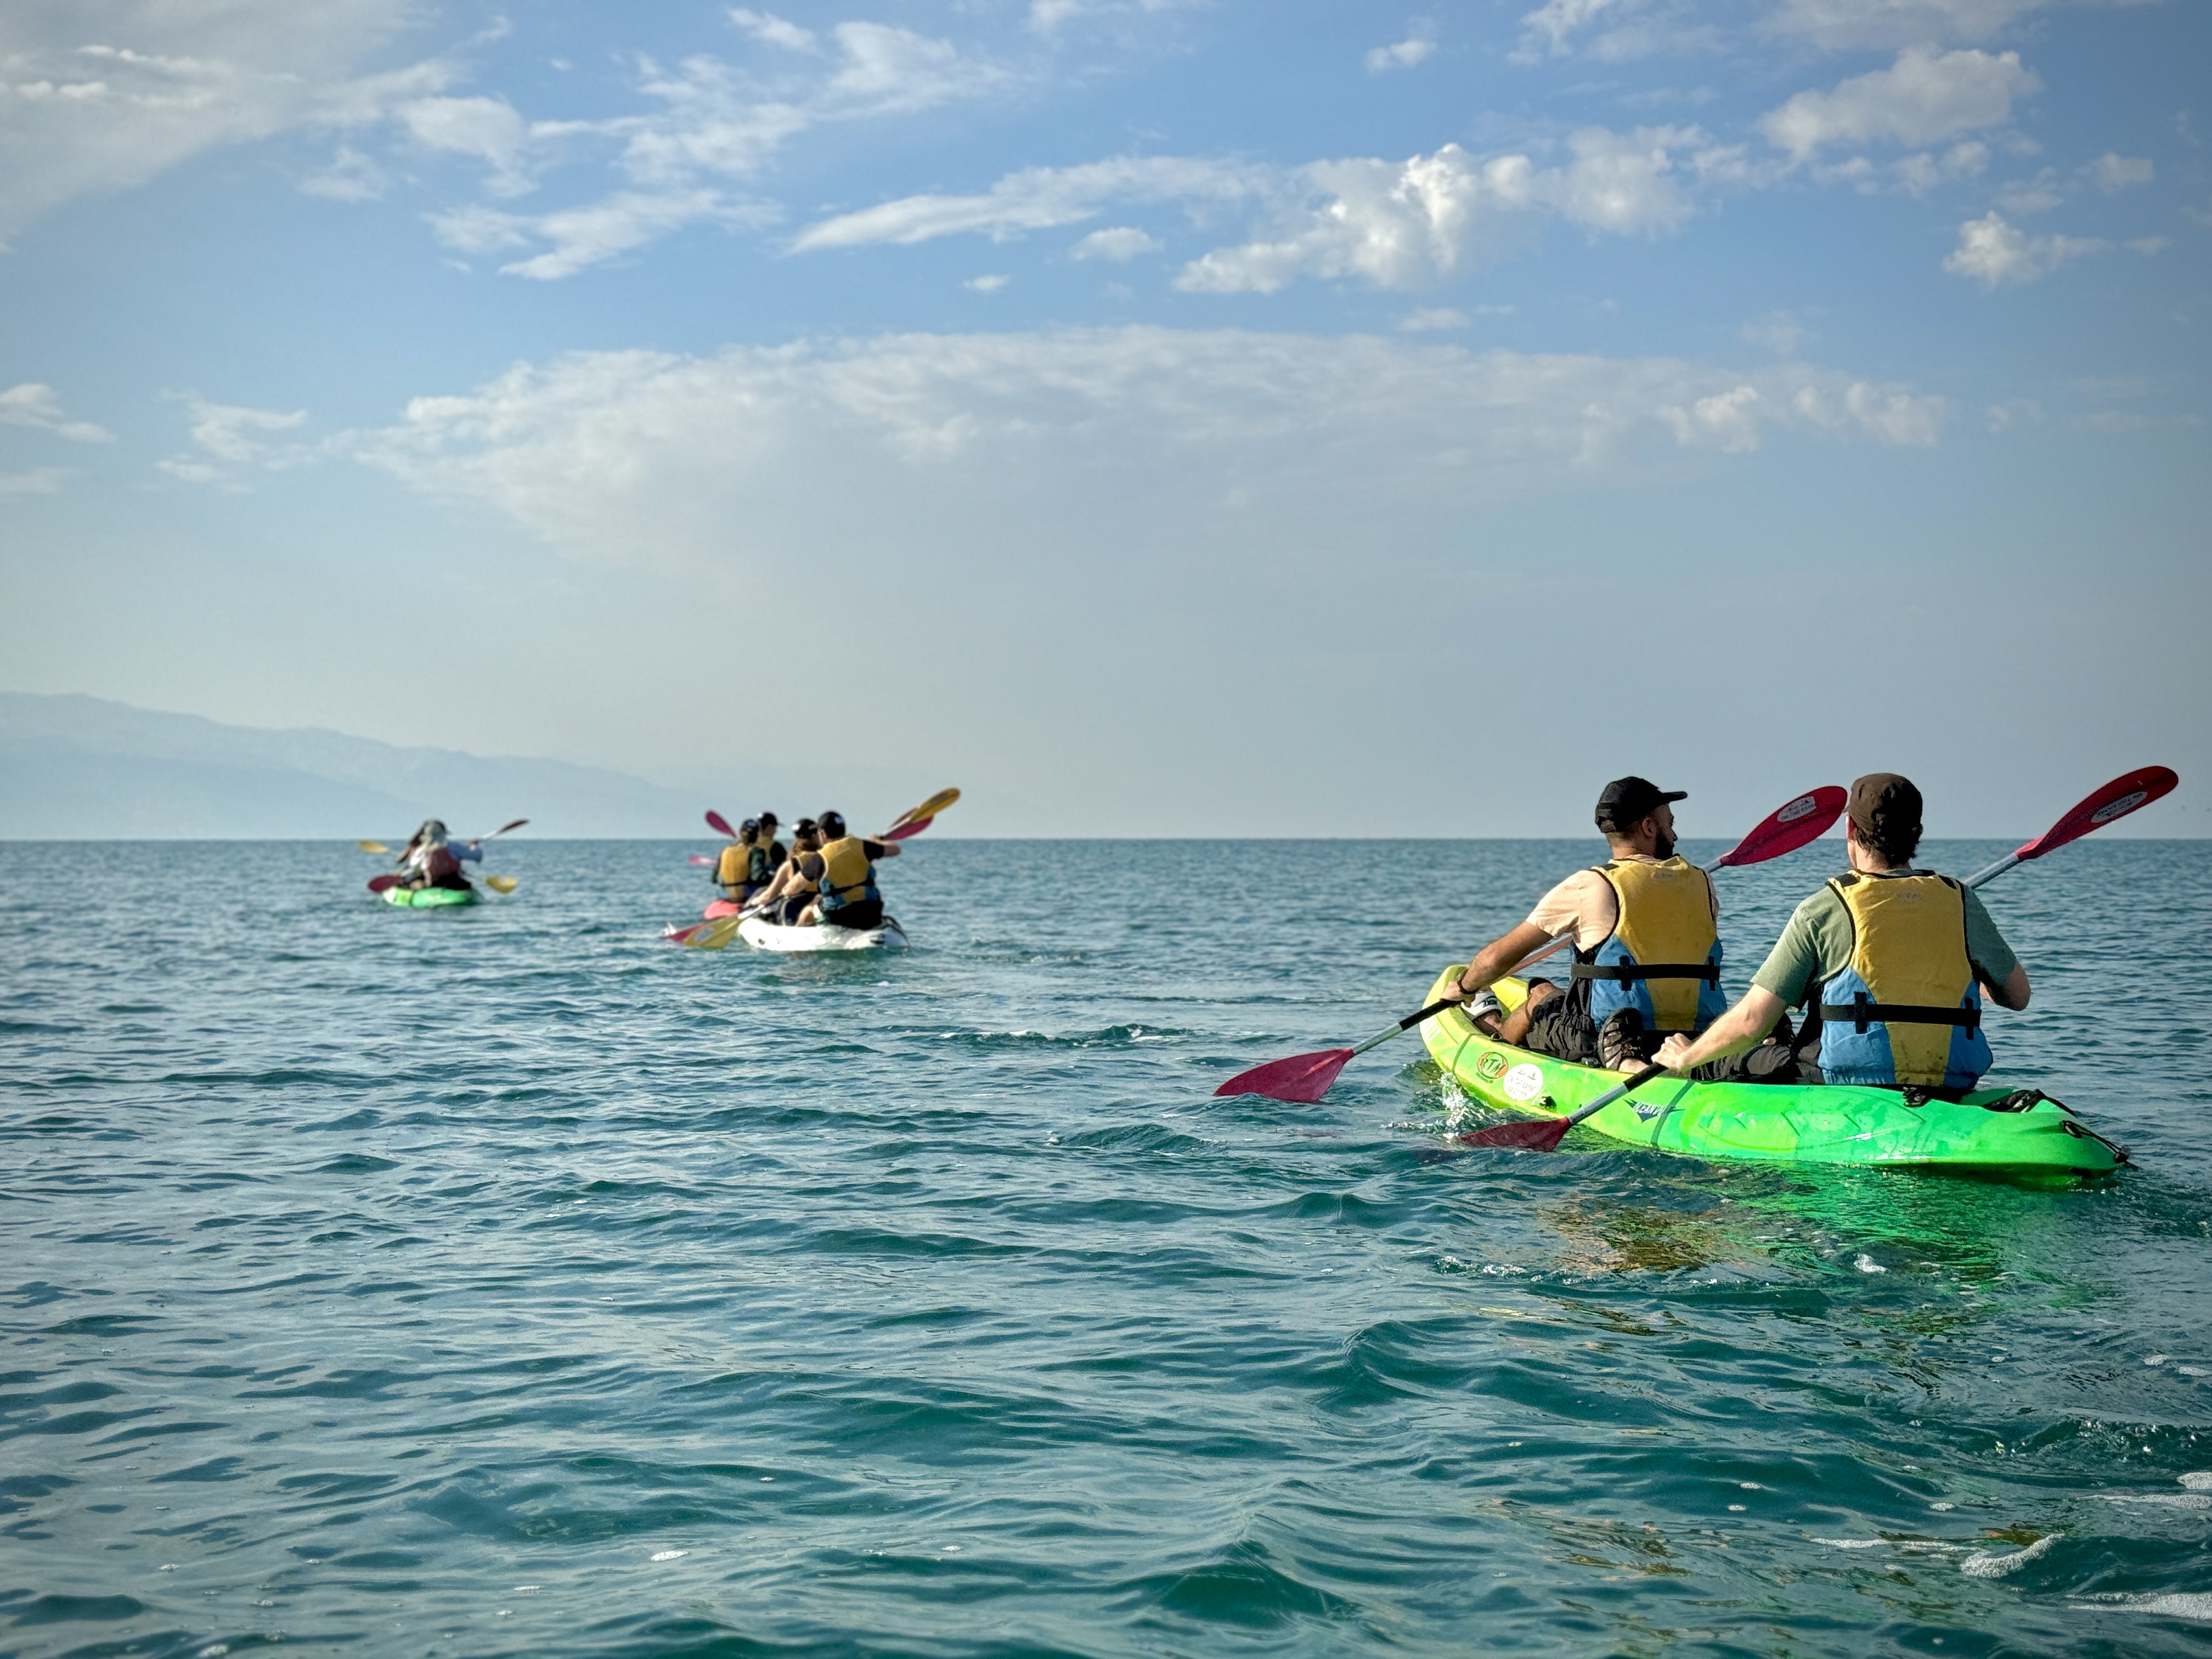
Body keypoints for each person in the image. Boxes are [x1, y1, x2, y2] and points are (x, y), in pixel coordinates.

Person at [1656, 774, 2029, 1097]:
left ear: (1851, 830)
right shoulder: (1961, 900)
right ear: (1917, 832)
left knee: (1733, 1058)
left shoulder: (1825, 907)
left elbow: (1754, 1020)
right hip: (1952, 1080)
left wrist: (1688, 1055)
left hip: (1847, 1078)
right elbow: (2017, 996)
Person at [1437, 777, 1732, 1070]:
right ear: (1649, 827)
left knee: (1540, 995)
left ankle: (1496, 1050)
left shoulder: (1592, 886)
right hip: (1698, 1035)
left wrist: (1463, 987)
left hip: (1607, 1038)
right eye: (1670, 824)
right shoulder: (1703, 883)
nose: (1675, 835)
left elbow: (1495, 959)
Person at [794, 810, 900, 930]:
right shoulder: (863, 846)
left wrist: (785, 892)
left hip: (839, 918)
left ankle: (796, 939)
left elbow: (794, 887)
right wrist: (876, 841)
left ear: (824, 834)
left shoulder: (819, 858)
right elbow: (895, 849)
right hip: (871, 912)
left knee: (810, 908)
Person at [751, 819, 823, 923]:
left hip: (795, 913)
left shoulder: (789, 865)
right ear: (815, 836)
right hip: (819, 908)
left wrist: (755, 902)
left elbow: (768, 896)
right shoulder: (825, 859)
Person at [397, 819, 481, 892]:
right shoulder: (454, 847)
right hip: (455, 882)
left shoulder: (421, 851)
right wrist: (473, 846)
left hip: (433, 883)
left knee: (408, 883)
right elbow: (477, 856)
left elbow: (415, 867)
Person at [714, 820, 760, 904]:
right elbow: (757, 876)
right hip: (747, 897)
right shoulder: (756, 851)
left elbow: (714, 879)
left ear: (740, 833)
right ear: (757, 836)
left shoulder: (725, 851)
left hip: (725, 896)